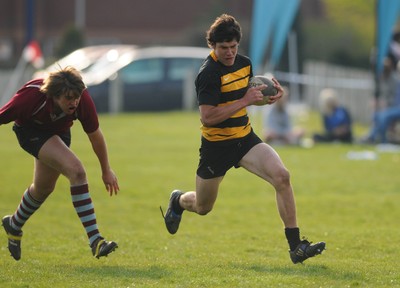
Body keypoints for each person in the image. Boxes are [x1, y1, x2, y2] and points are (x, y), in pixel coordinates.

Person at [160, 14, 325, 264]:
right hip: (216, 147)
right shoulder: (208, 73)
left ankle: (296, 247)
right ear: (213, 46)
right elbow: (208, 117)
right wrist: (244, 101)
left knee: (282, 176)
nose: (229, 53)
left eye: (233, 47)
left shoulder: (244, 63)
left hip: (245, 139)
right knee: (204, 207)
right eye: (224, 48)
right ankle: (179, 201)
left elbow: (250, 94)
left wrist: (271, 96)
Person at [0, 66, 119, 261]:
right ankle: (96, 240)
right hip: (30, 132)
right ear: (54, 96)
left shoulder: (82, 99)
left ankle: (14, 224)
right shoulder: (30, 97)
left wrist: (106, 170)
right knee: (77, 172)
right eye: (68, 99)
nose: (74, 102)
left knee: (43, 188)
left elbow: (95, 136)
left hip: (59, 132)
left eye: (76, 97)